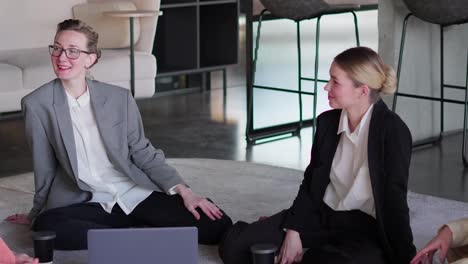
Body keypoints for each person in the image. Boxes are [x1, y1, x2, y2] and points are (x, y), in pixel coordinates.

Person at [5, 19, 232, 250]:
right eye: (57, 48)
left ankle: (123, 236)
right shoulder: (37, 104)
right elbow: (44, 165)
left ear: (90, 59)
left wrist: (185, 192)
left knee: (216, 225)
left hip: (132, 191)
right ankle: (141, 237)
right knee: (47, 229)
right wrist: (35, 214)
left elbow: (142, 151)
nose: (62, 57)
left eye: (73, 51)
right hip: (86, 199)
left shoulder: (119, 98)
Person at [219, 46, 416, 264]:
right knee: (234, 247)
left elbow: (394, 201)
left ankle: (311, 254)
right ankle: (295, 244)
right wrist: (294, 229)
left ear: (362, 90)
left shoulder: (393, 132)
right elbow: (312, 182)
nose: (326, 87)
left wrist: (405, 257)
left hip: (364, 229)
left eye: (335, 81)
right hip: (322, 215)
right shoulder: (327, 122)